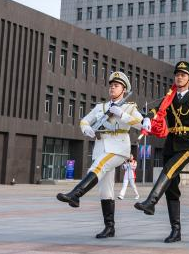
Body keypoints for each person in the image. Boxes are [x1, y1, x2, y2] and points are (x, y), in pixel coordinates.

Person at [134, 60, 189, 243]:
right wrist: (148, 118)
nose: (179, 77)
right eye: (177, 75)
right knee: (172, 189)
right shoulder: (170, 97)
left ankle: (151, 201)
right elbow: (157, 110)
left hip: (186, 146)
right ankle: (176, 231)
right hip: (170, 144)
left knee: (168, 170)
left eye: (183, 75)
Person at [57, 71, 144, 239]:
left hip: (118, 148)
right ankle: (109, 227)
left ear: (124, 90)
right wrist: (87, 129)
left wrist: (123, 115)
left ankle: (76, 194)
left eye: (116, 86)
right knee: (105, 190)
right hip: (101, 147)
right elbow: (84, 121)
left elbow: (143, 125)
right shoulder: (100, 107)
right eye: (111, 85)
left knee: (99, 166)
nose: (112, 88)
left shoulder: (129, 107)